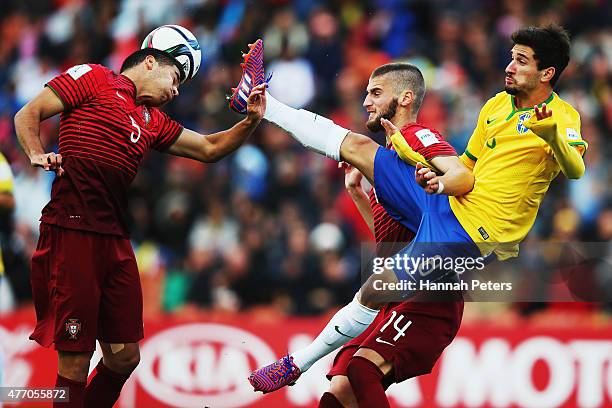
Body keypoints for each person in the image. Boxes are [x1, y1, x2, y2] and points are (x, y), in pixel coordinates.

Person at [245, 24, 586, 407]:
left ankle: (295, 365)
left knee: (371, 311)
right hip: (447, 203)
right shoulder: (495, 106)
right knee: (357, 146)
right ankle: (263, 104)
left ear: (547, 74)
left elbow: (575, 169)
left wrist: (552, 135)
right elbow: (465, 168)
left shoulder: (562, 116)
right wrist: (435, 180)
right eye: (511, 56)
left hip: (471, 232)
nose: (509, 66)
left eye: (521, 61)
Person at [14, 40, 266, 408]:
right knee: (75, 358)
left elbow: (211, 148)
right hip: (72, 229)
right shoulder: (94, 77)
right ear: (150, 63)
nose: (176, 90)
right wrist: (36, 152)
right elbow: (28, 113)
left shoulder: (152, 120)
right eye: (175, 78)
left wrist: (251, 121)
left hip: (115, 237)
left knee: (125, 356)